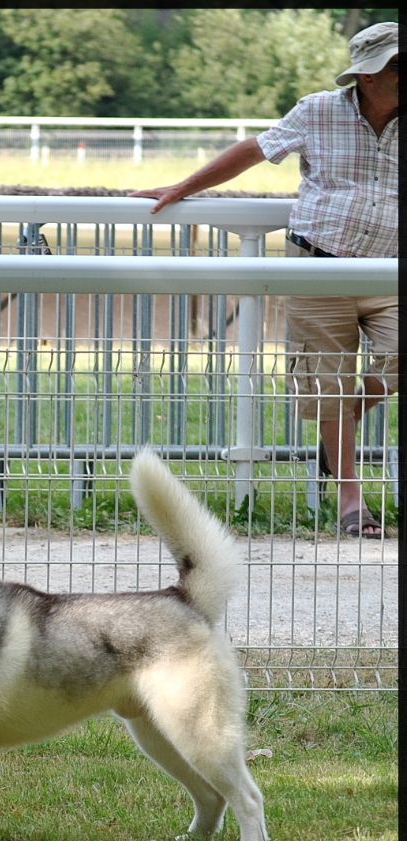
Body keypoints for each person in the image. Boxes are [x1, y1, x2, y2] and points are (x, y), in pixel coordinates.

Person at [130, 22, 399, 538]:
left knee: (357, 383)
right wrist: (184, 187)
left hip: (390, 270)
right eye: (397, 65)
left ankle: (333, 415)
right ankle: (350, 500)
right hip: (318, 266)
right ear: (367, 76)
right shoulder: (318, 110)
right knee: (327, 379)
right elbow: (255, 150)